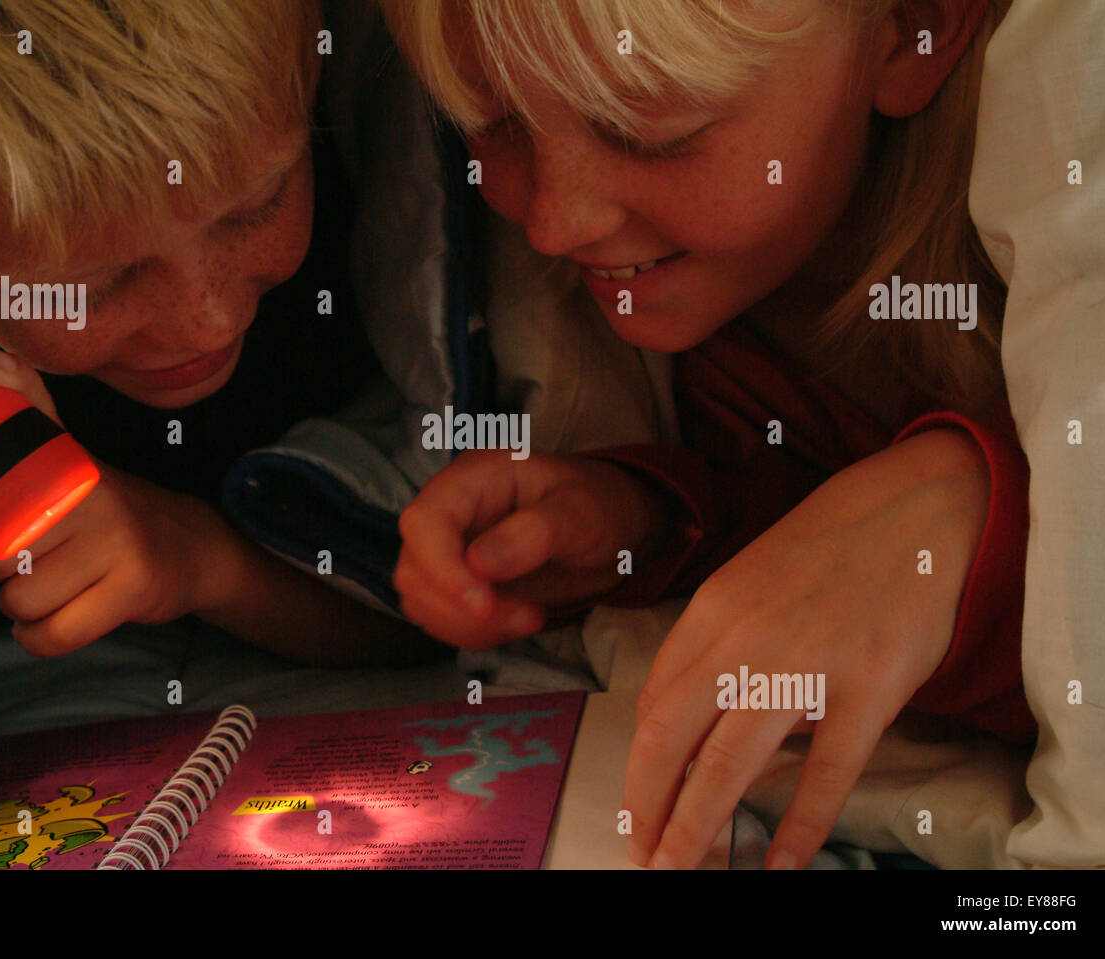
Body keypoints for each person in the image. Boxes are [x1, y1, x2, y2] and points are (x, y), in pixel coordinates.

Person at [383, 0, 1032, 869]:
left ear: (916, 27)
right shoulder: (733, 317)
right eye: (495, 124)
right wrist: (640, 519)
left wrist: (973, 531)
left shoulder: (1051, 253)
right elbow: (784, 517)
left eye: (644, 132)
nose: (551, 223)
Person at [0, 0, 463, 775]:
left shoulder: (382, 194)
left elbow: (437, 612)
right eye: (96, 284)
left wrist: (197, 557)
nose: (208, 317)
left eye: (259, 205)